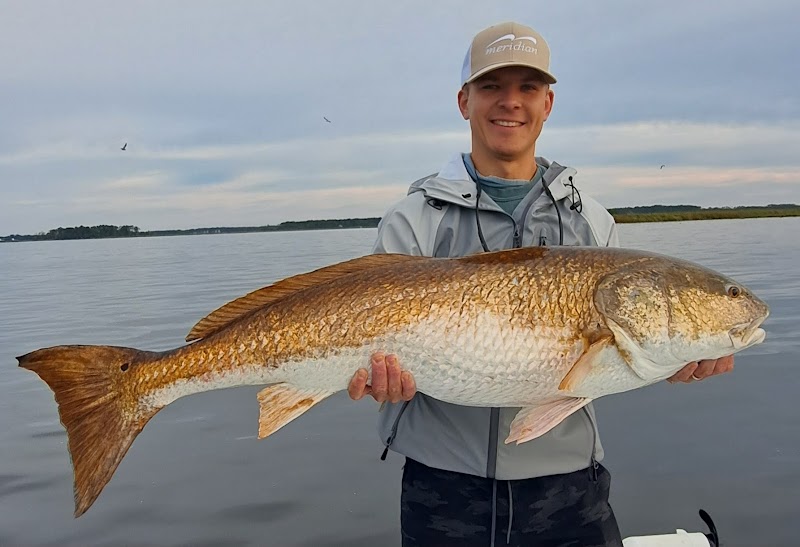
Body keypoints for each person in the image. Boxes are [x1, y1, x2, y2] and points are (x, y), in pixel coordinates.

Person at [348, 21, 735, 547]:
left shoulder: (594, 223)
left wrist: (679, 354)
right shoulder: (413, 219)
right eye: (492, 87)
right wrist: (376, 380)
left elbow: (616, 357)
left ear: (548, 103)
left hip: (570, 489)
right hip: (442, 489)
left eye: (527, 88)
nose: (511, 102)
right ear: (464, 101)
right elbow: (365, 339)